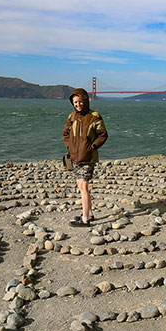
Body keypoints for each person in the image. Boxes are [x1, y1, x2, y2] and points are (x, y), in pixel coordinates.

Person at [63, 88, 108, 227]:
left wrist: (92, 147)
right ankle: (90, 212)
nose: (78, 105)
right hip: (75, 157)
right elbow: (65, 133)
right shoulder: (72, 116)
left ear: (85, 101)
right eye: (75, 102)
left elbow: (103, 135)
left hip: (88, 157)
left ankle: (85, 218)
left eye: (80, 101)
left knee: (83, 187)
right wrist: (69, 147)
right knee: (81, 186)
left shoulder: (94, 116)